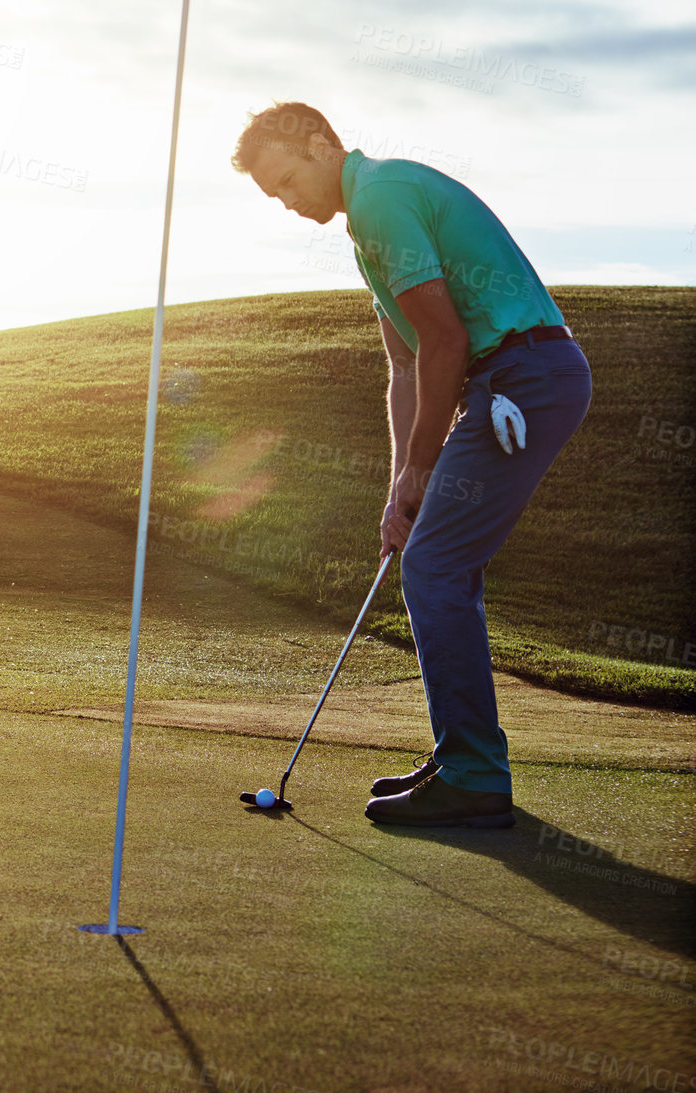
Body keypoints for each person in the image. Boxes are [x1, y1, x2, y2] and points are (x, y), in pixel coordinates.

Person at [232, 101, 592, 828]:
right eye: (276, 197)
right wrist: (403, 484)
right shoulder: (367, 232)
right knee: (439, 562)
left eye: (290, 181)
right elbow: (405, 366)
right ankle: (463, 755)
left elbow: (446, 345)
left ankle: (474, 776)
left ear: (322, 142)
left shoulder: (383, 198)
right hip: (508, 381)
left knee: (431, 566)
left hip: (523, 376)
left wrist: (423, 475)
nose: (292, 204)